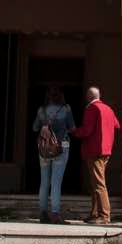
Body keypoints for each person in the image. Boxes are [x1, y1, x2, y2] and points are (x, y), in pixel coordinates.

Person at [70, 85, 121, 225]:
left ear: (89, 96)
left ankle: (104, 215)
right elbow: (117, 125)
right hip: (106, 150)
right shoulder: (108, 108)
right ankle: (94, 214)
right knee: (95, 183)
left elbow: (87, 130)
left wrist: (74, 131)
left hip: (94, 150)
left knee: (99, 184)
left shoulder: (91, 109)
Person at [31, 84, 75, 224]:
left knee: (44, 182)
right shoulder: (66, 109)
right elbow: (72, 127)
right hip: (61, 147)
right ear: (60, 95)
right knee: (56, 182)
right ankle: (55, 214)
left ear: (47, 96)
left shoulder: (41, 110)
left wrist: (45, 125)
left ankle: (43, 213)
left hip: (44, 149)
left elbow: (34, 127)